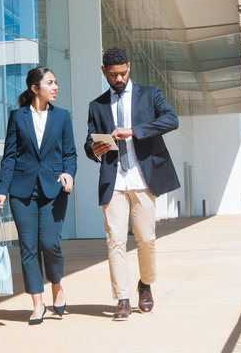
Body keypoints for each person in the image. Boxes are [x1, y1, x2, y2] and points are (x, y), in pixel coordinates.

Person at [84, 47, 180, 320]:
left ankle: (145, 284)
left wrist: (134, 131)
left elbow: (171, 119)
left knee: (146, 240)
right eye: (112, 75)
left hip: (142, 179)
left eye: (123, 73)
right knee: (115, 241)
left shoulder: (150, 94)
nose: (118, 79)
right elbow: (88, 143)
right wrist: (95, 150)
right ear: (104, 72)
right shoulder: (97, 105)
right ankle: (123, 299)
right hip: (113, 181)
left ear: (129, 67)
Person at [0, 66, 77, 325]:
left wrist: (69, 173)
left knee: (50, 243)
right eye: (50, 82)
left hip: (54, 189)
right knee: (29, 247)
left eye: (56, 82)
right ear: (34, 88)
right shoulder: (18, 117)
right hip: (22, 191)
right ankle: (37, 303)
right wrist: (2, 190)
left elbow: (70, 154)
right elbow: (9, 156)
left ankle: (56, 285)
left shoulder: (62, 117)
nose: (55, 87)